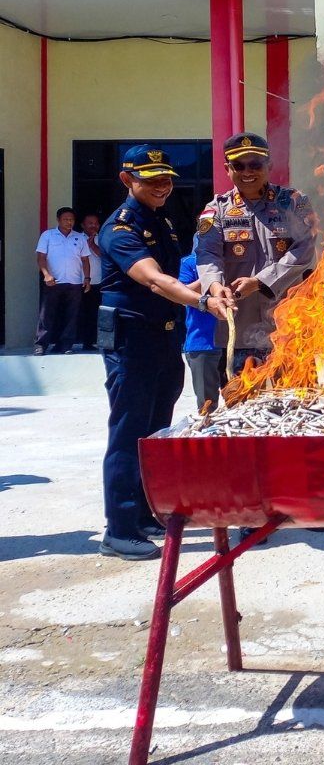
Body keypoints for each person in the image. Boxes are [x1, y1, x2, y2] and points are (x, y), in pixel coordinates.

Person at [95, 146, 234, 560]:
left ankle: (142, 513)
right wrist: (202, 303)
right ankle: (117, 529)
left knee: (154, 431)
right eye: (151, 179)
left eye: (167, 178)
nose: (162, 186)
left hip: (162, 338)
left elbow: (178, 283)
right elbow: (155, 281)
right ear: (127, 180)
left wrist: (214, 288)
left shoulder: (164, 223)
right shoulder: (119, 229)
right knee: (128, 430)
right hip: (131, 341)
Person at [196, 132, 318, 377]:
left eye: (255, 164)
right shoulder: (216, 210)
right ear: (227, 169)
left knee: (294, 404)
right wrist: (214, 286)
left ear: (269, 165)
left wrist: (261, 282)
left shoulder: (293, 203)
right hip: (240, 329)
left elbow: (305, 249)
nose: (247, 172)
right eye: (238, 165)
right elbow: (208, 254)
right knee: (241, 403)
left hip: (288, 326)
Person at [35, 207, 90, 355]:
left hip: (74, 282)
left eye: (71, 219)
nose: (69, 222)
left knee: (71, 315)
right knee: (47, 314)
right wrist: (46, 275)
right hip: (53, 281)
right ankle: (41, 345)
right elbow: (41, 257)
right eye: (65, 219)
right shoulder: (48, 235)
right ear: (58, 220)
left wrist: (87, 278)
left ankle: (66, 345)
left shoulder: (80, 238)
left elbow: (85, 260)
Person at [179, 251, 226, 411]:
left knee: (241, 400)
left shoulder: (236, 258)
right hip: (202, 343)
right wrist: (210, 277)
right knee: (207, 407)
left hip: (236, 343)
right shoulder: (189, 262)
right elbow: (180, 293)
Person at [79, 212, 103, 351]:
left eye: (96, 223)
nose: (94, 226)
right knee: (82, 313)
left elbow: (106, 257)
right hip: (80, 281)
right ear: (83, 225)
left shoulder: (103, 238)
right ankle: (82, 341)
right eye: (90, 223)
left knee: (96, 313)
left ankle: (94, 341)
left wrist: (93, 245)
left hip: (99, 281)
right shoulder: (76, 238)